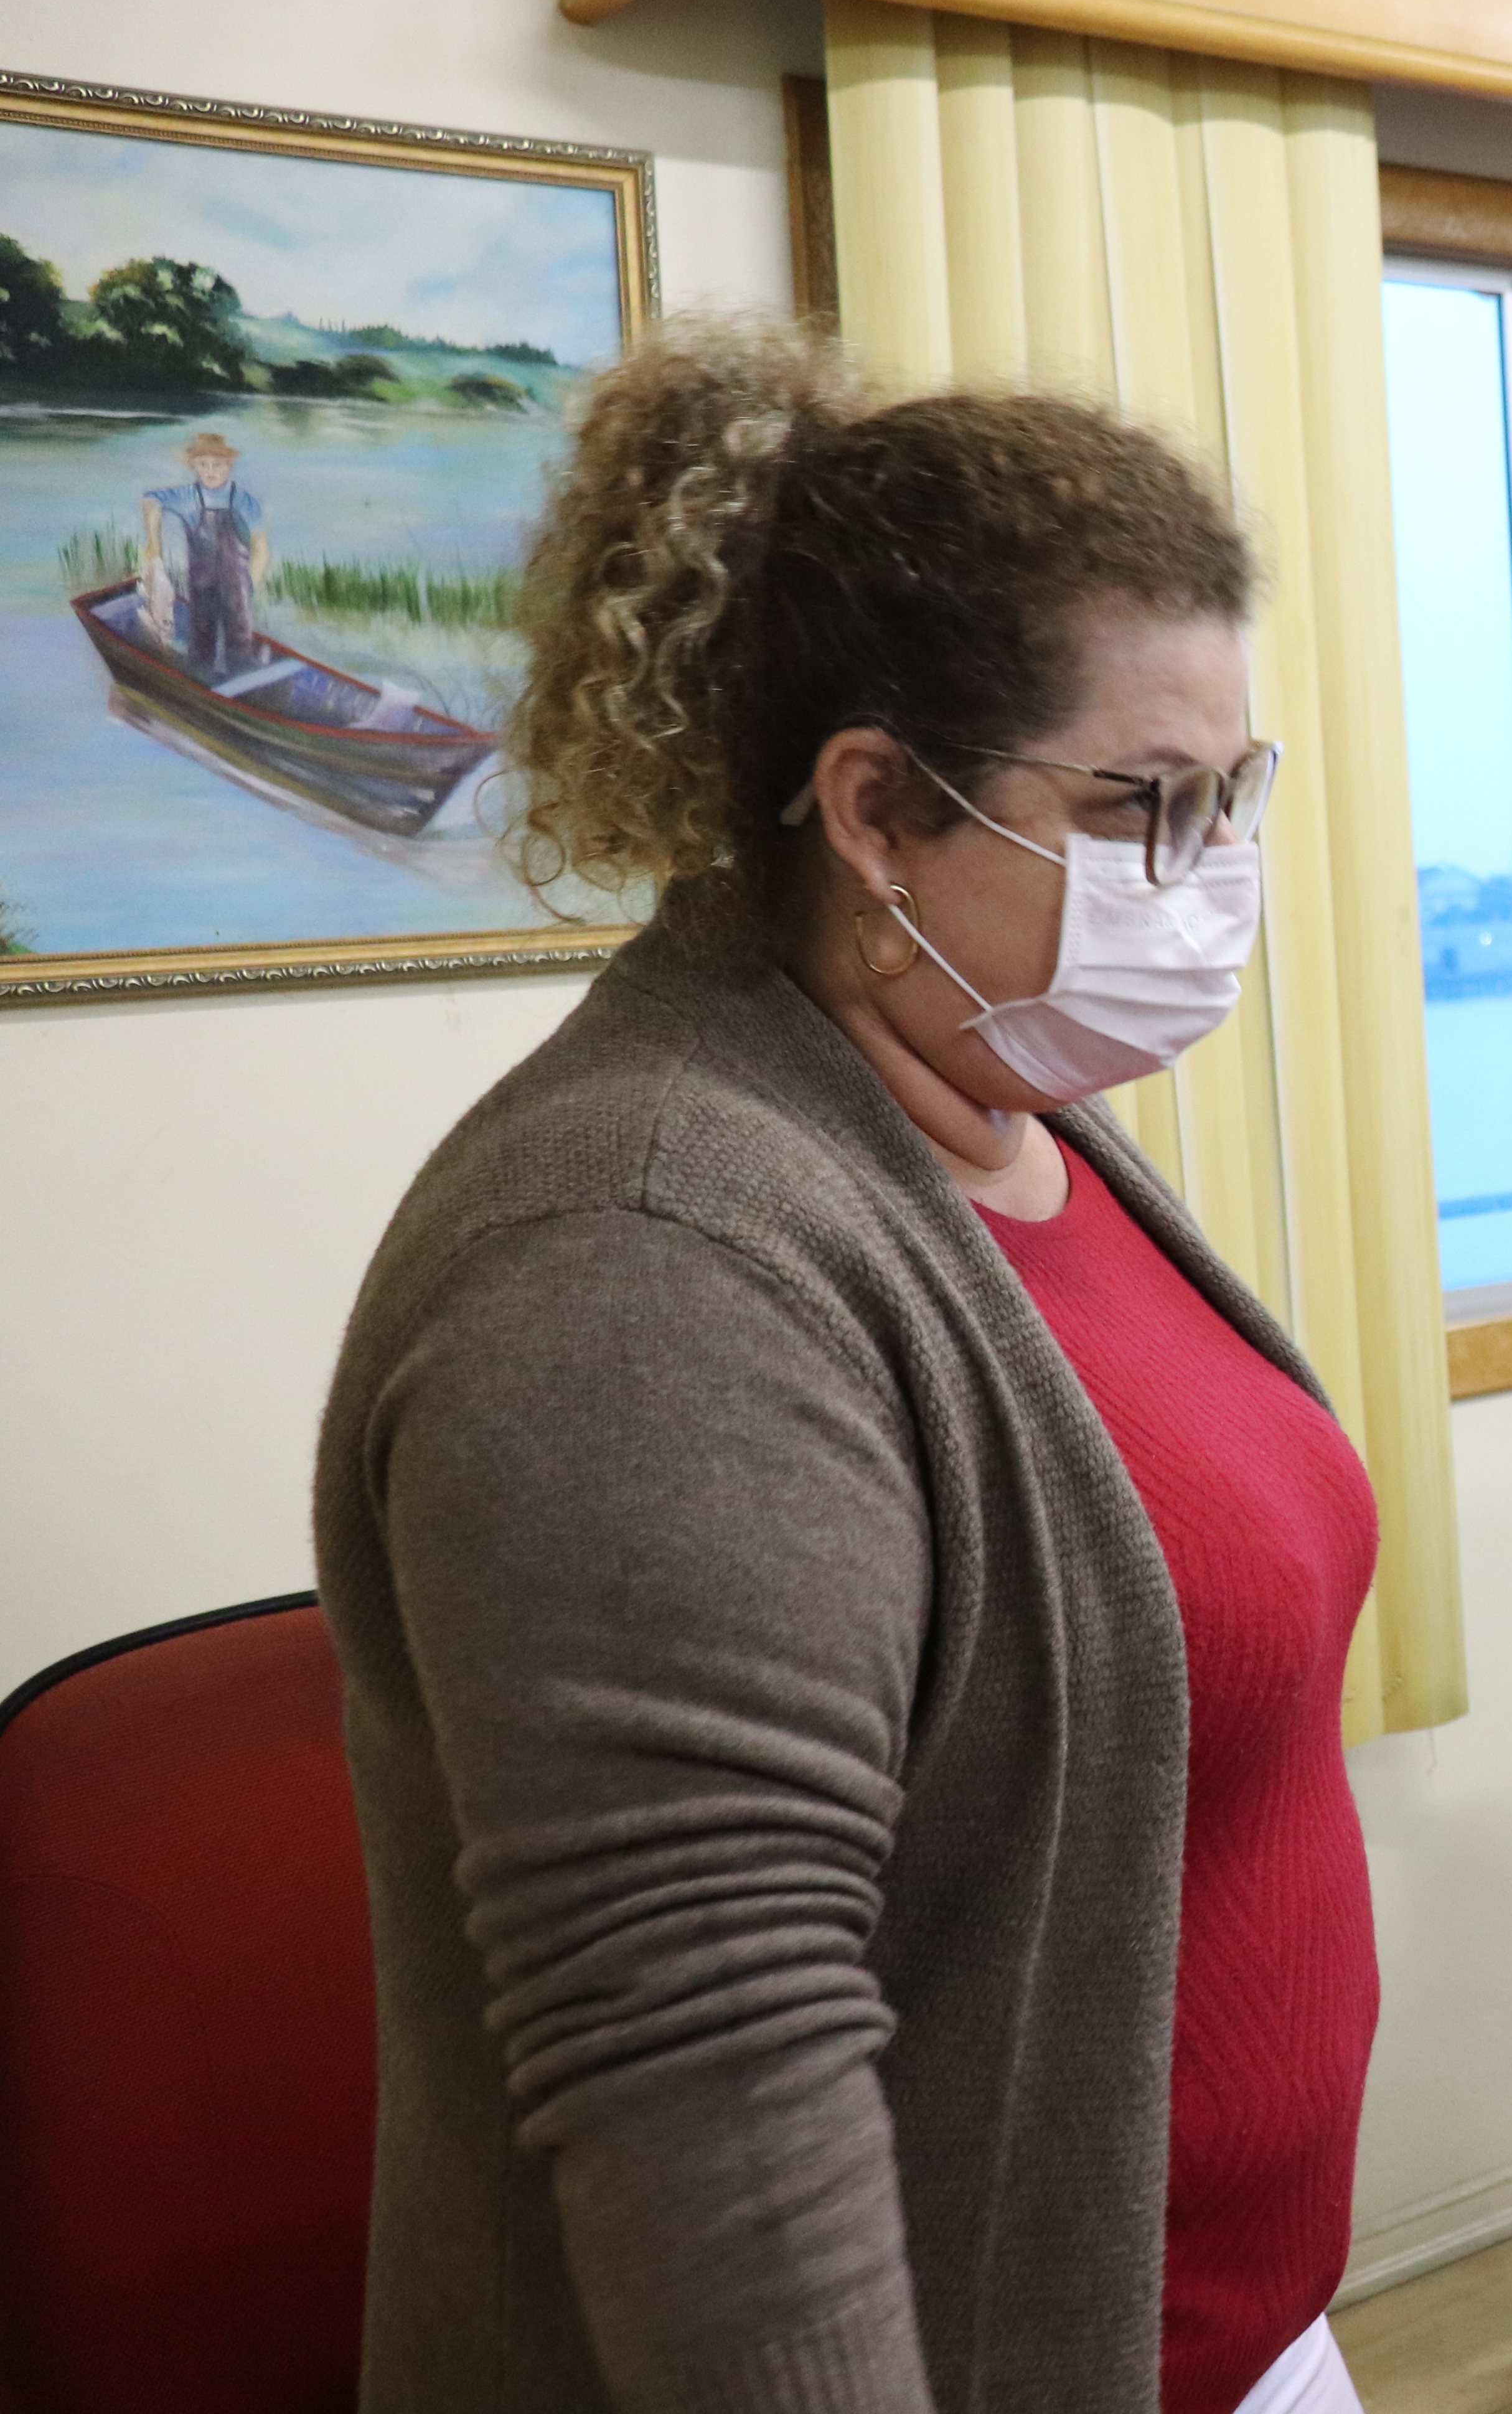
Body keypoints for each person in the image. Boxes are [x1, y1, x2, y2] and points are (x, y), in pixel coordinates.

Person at [312, 317, 1376, 2414]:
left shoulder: (1009, 1111)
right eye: (1142, 806)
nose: (1211, 877)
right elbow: (716, 2082)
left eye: (1230, 799)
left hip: (1219, 2344)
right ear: (879, 807)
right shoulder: (635, 1256)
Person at [140, 429, 270, 679]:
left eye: (218, 465)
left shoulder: (245, 501)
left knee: (240, 640)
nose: (211, 471)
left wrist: (248, 586)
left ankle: (241, 688)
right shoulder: (187, 497)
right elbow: (149, 501)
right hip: (201, 587)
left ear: (229, 465)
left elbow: (261, 549)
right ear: (194, 466)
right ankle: (199, 682)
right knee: (201, 639)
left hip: (238, 588)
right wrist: (154, 544)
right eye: (203, 464)